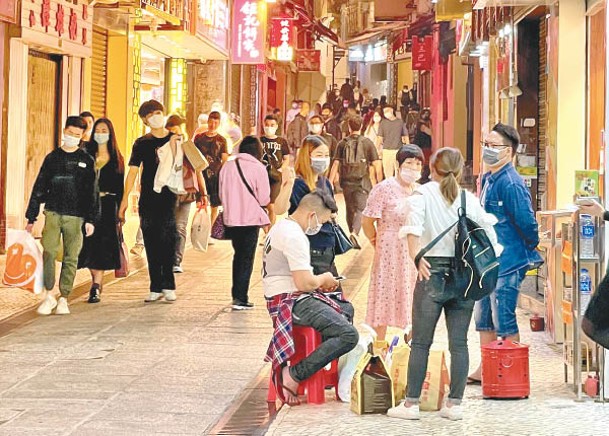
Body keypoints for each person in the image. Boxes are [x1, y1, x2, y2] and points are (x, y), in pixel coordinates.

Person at [388, 147, 501, 421]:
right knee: (459, 343)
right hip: (464, 275)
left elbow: (412, 229)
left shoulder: (423, 193)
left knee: (421, 342)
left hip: (432, 272)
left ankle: (411, 405)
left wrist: (417, 258)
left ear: (432, 169)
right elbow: (490, 239)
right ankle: (455, 405)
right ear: (460, 171)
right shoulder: (469, 199)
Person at [263, 192, 358, 405]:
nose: (319, 227)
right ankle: (295, 374)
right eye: (322, 221)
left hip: (283, 297)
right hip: (291, 302)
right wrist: (323, 279)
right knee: (348, 335)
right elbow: (304, 283)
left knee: (346, 309)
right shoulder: (295, 236)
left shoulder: (281, 226)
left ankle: (319, 371)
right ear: (312, 215)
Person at [468, 123, 543, 384]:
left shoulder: (511, 183)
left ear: (509, 152)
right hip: (487, 262)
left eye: (494, 146)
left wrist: (529, 247)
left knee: (504, 317)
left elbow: (527, 224)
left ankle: (511, 372)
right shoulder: (488, 178)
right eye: (485, 144)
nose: (487, 150)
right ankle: (487, 369)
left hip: (508, 262)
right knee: (484, 316)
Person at [26, 116, 97, 315]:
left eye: (77, 135)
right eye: (69, 133)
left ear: (82, 135)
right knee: (48, 250)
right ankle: (48, 295)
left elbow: (91, 191)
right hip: (53, 212)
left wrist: (91, 219)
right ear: (64, 131)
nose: (72, 137)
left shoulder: (86, 160)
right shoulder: (52, 158)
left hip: (76, 216)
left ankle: (64, 297)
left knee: (71, 256)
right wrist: (31, 217)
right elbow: (39, 187)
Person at [119, 100, 180, 303]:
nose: (155, 116)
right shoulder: (141, 143)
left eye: (158, 112)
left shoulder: (175, 139)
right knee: (151, 240)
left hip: (169, 196)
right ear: (145, 120)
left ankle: (168, 284)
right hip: (148, 198)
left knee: (169, 238)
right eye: (150, 115)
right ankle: (155, 285)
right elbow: (133, 171)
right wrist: (124, 199)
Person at [361, 145, 423, 342]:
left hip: (413, 252)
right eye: (409, 163)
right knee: (384, 296)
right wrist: (376, 242)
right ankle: (378, 348)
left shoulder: (421, 192)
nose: (413, 168)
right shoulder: (383, 189)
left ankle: (411, 349)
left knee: (414, 298)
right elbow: (367, 221)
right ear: (398, 164)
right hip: (389, 250)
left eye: (418, 164)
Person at [219, 136, 271, 310]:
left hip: (231, 219)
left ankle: (237, 295)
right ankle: (240, 297)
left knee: (238, 255)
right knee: (246, 257)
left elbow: (220, 192)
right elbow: (264, 198)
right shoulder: (259, 168)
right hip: (250, 220)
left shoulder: (227, 166)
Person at [78, 118, 124, 304]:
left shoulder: (116, 158)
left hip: (107, 206)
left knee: (104, 246)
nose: (100, 133)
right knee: (89, 245)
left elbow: (120, 187)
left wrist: (121, 211)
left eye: (104, 130)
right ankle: (95, 279)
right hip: (88, 206)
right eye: (98, 130)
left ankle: (96, 286)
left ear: (110, 133)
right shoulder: (86, 153)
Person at [290, 136, 341, 278]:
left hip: (327, 247)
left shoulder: (324, 182)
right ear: (307, 157)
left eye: (326, 155)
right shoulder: (298, 185)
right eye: (319, 155)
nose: (324, 159)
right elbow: (302, 216)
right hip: (310, 248)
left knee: (331, 295)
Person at [329, 116, 382, 249]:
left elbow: (336, 163)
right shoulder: (367, 143)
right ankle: (354, 233)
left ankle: (350, 233)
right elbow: (376, 164)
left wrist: (329, 181)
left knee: (350, 208)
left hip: (346, 181)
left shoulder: (342, 143)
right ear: (362, 126)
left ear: (349, 127)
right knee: (361, 208)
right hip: (362, 181)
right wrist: (380, 182)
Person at [166, 114, 207, 273]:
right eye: (172, 132)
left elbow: (199, 170)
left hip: (187, 192)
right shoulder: (163, 149)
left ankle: (177, 260)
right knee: (168, 227)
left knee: (180, 226)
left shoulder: (188, 147)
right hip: (167, 193)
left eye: (178, 132)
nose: (176, 135)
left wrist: (203, 194)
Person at [194, 111, 229, 226]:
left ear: (219, 124)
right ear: (207, 121)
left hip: (215, 176)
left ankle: (209, 230)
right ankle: (200, 228)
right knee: (201, 203)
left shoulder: (222, 140)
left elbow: (224, 160)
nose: (213, 125)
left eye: (216, 122)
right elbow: (193, 154)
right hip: (201, 175)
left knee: (215, 205)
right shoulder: (199, 138)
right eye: (211, 122)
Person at [261, 115, 291, 225]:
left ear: (276, 126)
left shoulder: (282, 142)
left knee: (272, 206)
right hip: (261, 178)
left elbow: (286, 159)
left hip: (275, 178)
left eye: (272, 125)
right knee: (261, 206)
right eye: (267, 125)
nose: (269, 127)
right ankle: (266, 230)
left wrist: (281, 169)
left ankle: (270, 232)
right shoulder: (259, 141)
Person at [378, 106, 407, 178]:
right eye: (384, 112)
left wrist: (408, 147)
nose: (385, 113)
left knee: (398, 172)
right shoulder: (383, 123)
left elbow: (406, 136)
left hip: (397, 151)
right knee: (389, 174)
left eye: (387, 111)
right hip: (387, 151)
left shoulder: (400, 122)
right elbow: (380, 138)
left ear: (392, 110)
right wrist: (378, 149)